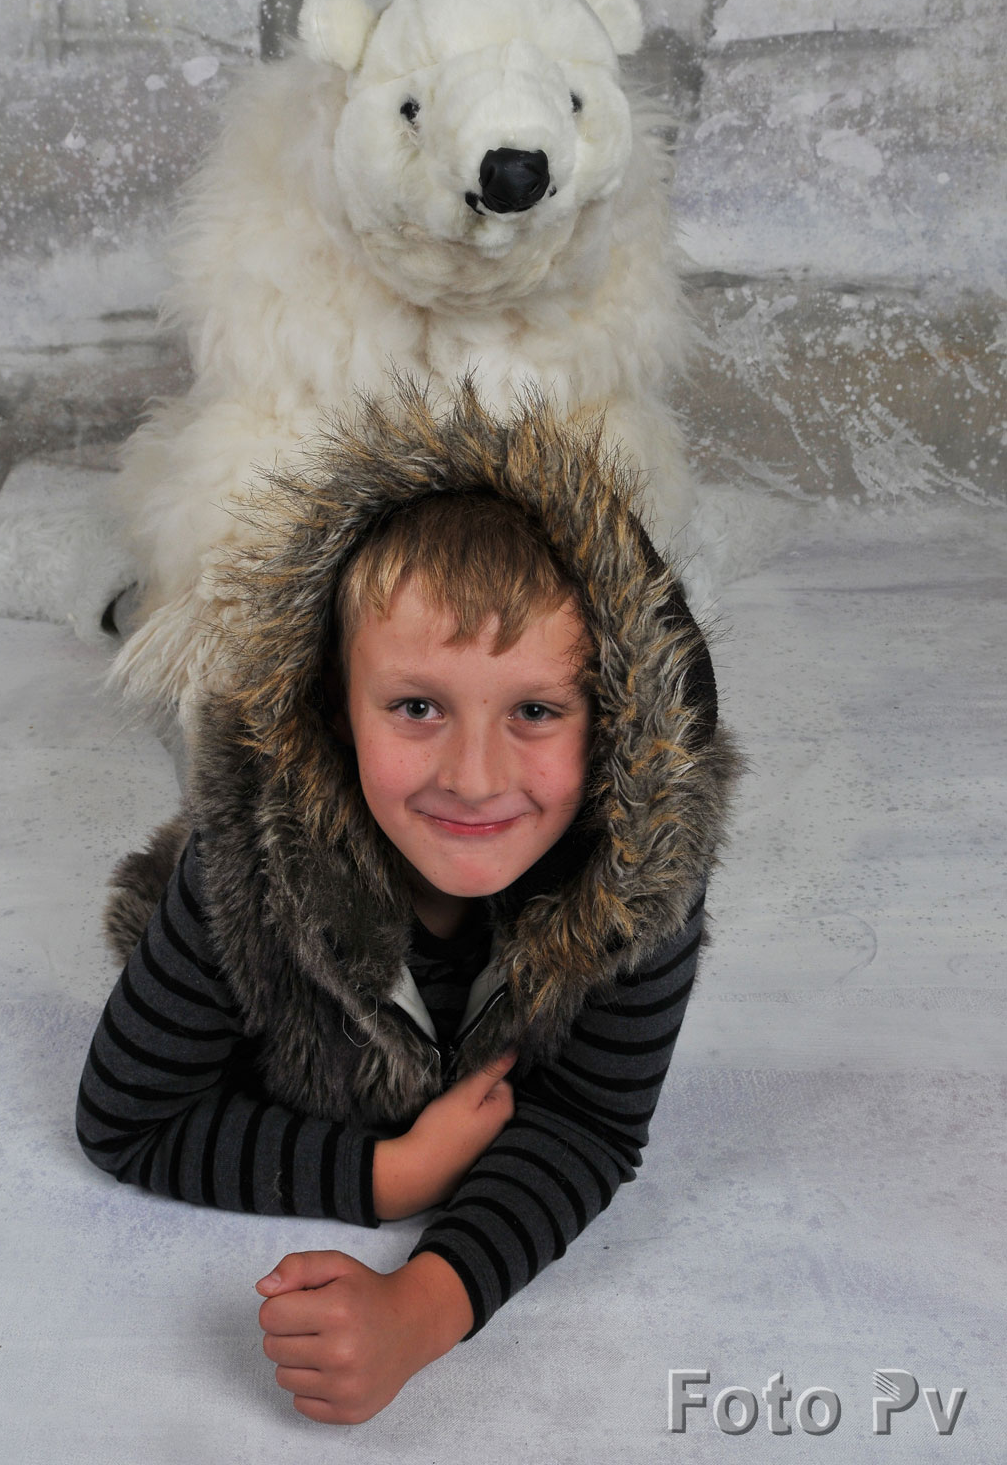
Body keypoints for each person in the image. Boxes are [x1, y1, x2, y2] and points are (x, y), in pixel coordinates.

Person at [76, 376, 739, 1424]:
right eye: (417, 705)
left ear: (616, 720)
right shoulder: (242, 868)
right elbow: (128, 1122)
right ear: (334, 710)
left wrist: (421, 1308)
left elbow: (590, 1124)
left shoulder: (640, 877)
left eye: (536, 710)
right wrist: (389, 1175)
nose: (474, 779)